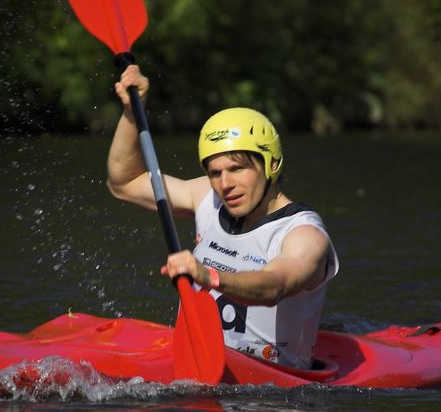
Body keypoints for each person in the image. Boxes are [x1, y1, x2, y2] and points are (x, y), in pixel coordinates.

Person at [107, 65, 339, 369]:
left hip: (277, 395)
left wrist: (209, 276)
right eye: (215, 172)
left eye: (237, 168)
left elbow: (274, 285)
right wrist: (130, 111)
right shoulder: (207, 196)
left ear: (272, 164)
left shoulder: (304, 235)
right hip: (199, 366)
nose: (225, 184)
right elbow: (124, 183)